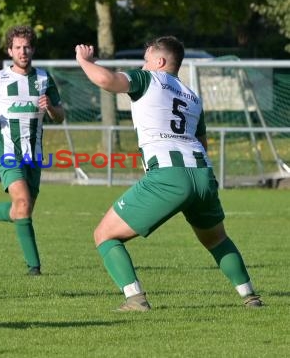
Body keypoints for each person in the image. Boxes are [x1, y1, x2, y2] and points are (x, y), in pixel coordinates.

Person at [74, 36, 262, 311]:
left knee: (104, 234)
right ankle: (250, 297)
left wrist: (84, 61)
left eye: (146, 58)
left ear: (160, 62)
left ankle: (135, 299)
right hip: (202, 174)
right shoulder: (192, 96)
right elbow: (203, 141)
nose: (143, 63)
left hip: (168, 175)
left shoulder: (148, 79)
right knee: (217, 239)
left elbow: (106, 81)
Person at [0, 25, 65, 276]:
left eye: (27, 47)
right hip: (7, 151)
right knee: (22, 203)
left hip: (35, 153)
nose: (23, 51)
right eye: (18, 47)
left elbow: (60, 116)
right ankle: (34, 268)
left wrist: (51, 108)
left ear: (33, 49)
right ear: (10, 50)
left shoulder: (44, 79)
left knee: (22, 210)